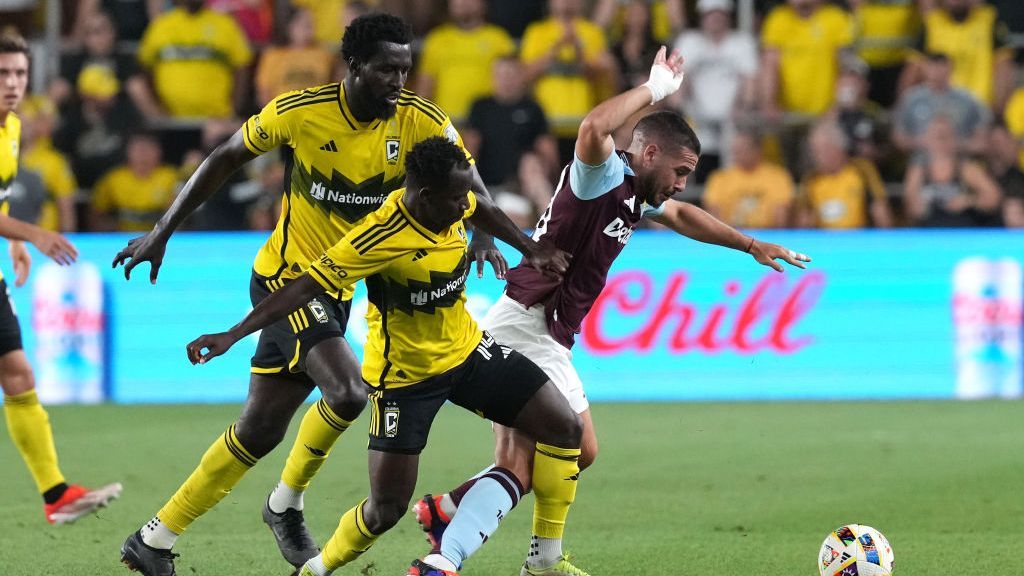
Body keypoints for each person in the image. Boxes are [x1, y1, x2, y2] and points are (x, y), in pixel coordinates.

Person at [114, 13, 508, 575]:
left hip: (336, 285)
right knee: (348, 391)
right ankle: (286, 503)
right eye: (386, 69)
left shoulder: (420, 119)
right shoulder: (300, 112)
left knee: (259, 429)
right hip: (289, 280)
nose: (399, 82)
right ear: (354, 65)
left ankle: (153, 539)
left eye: (405, 69)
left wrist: (483, 235)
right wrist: (162, 231)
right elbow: (224, 157)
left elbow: (466, 177)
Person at [411, 47, 811, 576]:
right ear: (649, 153)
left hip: (542, 328)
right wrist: (655, 88)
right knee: (565, 446)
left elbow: (683, 216)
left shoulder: (634, 194)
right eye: (679, 170)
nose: (682, 182)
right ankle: (496, 557)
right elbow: (593, 126)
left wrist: (750, 244)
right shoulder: (599, 175)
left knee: (556, 455)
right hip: (529, 323)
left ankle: (449, 515)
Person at [182, 136, 579, 576]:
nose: (464, 204)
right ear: (425, 196)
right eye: (455, 198)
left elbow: (480, 207)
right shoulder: (376, 237)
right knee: (385, 510)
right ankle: (315, 570)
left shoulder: (452, 199)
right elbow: (304, 286)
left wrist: (530, 248)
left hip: (467, 352)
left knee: (564, 427)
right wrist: (234, 334)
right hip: (405, 381)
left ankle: (544, 560)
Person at [0, 33, 121, 525]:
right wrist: (33, 233)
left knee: (18, 375)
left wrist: (13, 242)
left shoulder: (12, 127)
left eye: (19, 73)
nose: (12, 83)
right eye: (2, 74)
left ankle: (56, 494)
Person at [415, 0, 515, 126]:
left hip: (489, 123)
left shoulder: (498, 38)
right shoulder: (436, 39)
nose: (463, 3)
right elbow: (425, 86)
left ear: (483, 4)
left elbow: (513, 82)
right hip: (445, 123)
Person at [903, 115, 1001, 227]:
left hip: (960, 229)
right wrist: (917, 207)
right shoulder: (918, 170)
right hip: (929, 230)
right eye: (937, 136)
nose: (941, 142)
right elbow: (909, 203)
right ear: (927, 140)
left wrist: (968, 201)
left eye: (946, 136)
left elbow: (994, 197)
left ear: (954, 139)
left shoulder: (966, 168)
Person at [797, 120, 893, 229]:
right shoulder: (811, 179)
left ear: (837, 148)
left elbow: (879, 208)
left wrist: (885, 236)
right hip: (824, 238)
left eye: (820, 151)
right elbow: (804, 219)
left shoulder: (861, 169)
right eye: (814, 151)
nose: (816, 157)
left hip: (860, 236)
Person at [703, 128, 794, 229]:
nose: (737, 154)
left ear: (757, 150)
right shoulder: (720, 178)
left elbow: (781, 217)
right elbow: (713, 214)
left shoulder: (778, 176)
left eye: (743, 149)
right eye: (735, 150)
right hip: (730, 234)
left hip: (767, 234)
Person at [90, 131, 179, 232]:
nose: (143, 155)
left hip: (163, 236)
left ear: (159, 152)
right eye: (138, 149)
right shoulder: (113, 179)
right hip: (122, 236)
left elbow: (178, 214)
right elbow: (95, 214)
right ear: (127, 152)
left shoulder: (171, 177)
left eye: (149, 149)